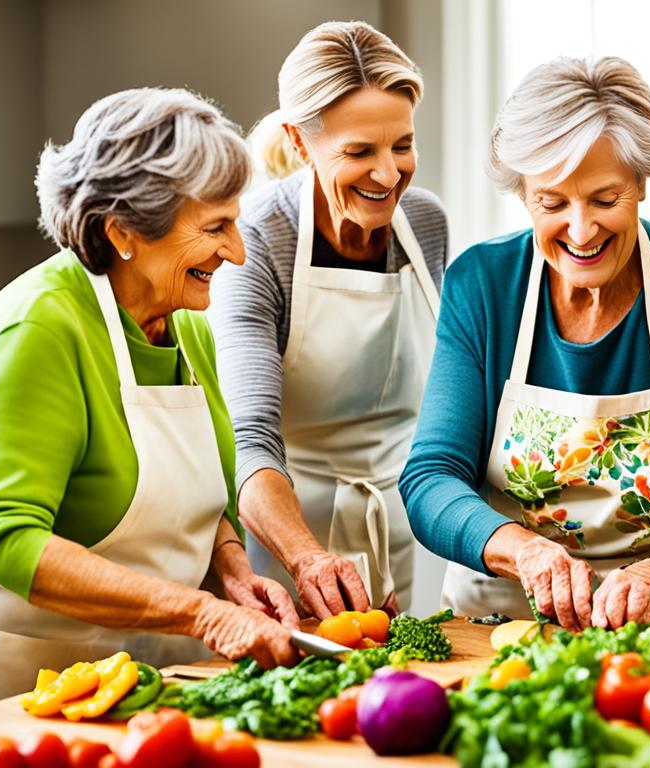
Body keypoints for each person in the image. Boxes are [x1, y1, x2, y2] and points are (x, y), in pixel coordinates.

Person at [0, 88, 299, 715]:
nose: (238, 252)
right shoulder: (37, 329)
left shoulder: (184, 324)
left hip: (107, 668)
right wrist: (201, 613)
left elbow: (196, 501)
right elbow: (12, 540)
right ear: (124, 232)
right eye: (215, 227)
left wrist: (231, 568)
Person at [400, 56, 650, 632]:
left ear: (641, 183)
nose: (581, 231)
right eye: (552, 203)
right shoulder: (483, 285)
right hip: (498, 632)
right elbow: (430, 477)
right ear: (523, 193)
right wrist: (523, 551)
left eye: (605, 200)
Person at [208, 21, 448, 618]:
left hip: (402, 529)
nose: (389, 174)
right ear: (298, 140)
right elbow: (250, 440)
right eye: (359, 152)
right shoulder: (259, 240)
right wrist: (309, 559)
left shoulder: (427, 224)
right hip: (285, 544)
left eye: (402, 145)